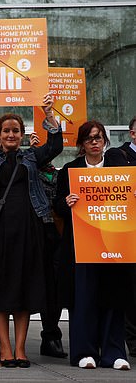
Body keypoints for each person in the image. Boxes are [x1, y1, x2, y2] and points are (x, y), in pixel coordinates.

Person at [0, 93, 62, 368]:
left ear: (21, 134)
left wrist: (48, 112)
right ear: (0, 133)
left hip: (29, 234)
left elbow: (55, 144)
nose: (10, 135)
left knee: (24, 292)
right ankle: (4, 350)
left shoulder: (31, 158)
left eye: (15, 131)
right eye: (6, 131)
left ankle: (20, 350)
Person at [54, 120, 132, 370]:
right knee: (84, 299)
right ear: (81, 144)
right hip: (82, 245)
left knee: (113, 296)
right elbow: (56, 206)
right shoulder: (69, 170)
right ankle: (84, 352)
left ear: (105, 141)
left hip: (113, 243)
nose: (95, 142)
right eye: (89, 139)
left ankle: (114, 352)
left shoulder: (121, 167)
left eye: (98, 137)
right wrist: (66, 202)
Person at [26, 133, 67, 359]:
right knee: (41, 285)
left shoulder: (61, 175)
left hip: (58, 233)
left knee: (56, 285)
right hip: (36, 233)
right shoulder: (28, 174)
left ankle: (52, 334)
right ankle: (48, 334)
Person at [115, 115, 136, 358]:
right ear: (132, 134)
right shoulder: (118, 157)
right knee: (132, 286)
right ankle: (132, 340)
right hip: (127, 229)